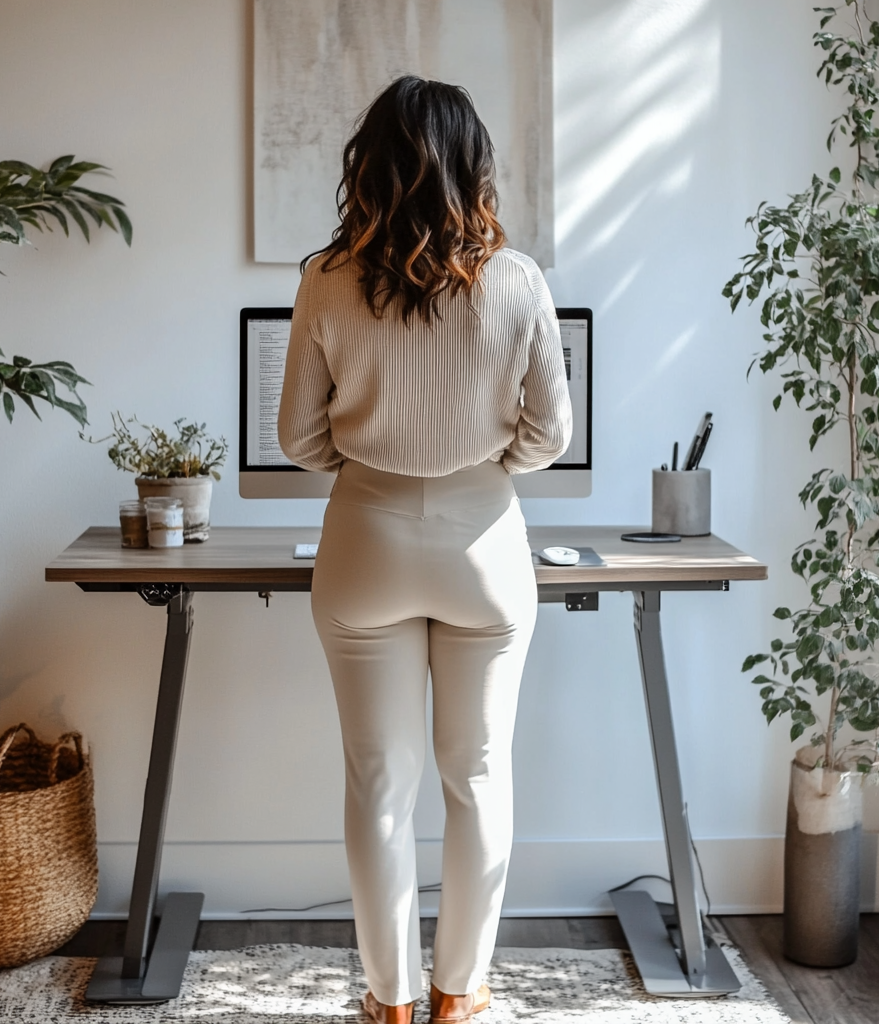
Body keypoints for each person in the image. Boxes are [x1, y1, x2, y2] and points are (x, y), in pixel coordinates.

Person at [278, 76, 572, 1024]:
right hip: (485, 543)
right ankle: (459, 993)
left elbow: (296, 436)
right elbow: (550, 435)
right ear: (474, 165)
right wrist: (487, 462)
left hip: (364, 536)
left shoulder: (324, 279)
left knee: (377, 780)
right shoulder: (520, 280)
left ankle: (390, 1001)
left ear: (369, 167)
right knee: (477, 773)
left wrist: (364, 462)